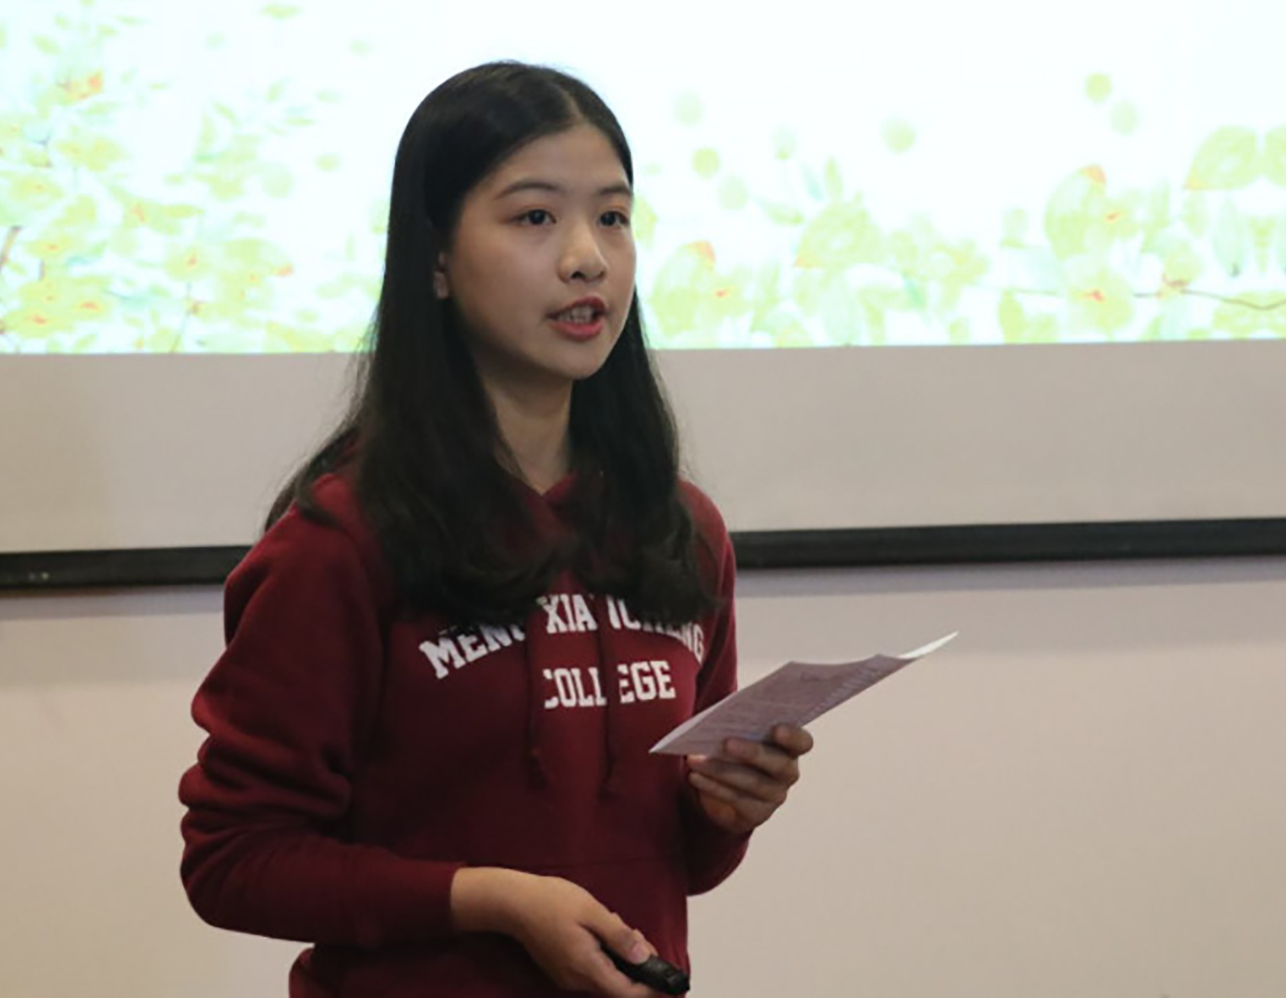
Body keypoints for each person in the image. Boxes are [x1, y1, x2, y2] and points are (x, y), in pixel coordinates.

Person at [178, 60, 815, 998]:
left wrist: (726, 809)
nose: (587, 258)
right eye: (534, 217)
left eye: (612, 217)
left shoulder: (680, 527)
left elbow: (676, 860)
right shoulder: (341, 542)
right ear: (436, 259)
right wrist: (494, 900)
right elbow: (233, 860)